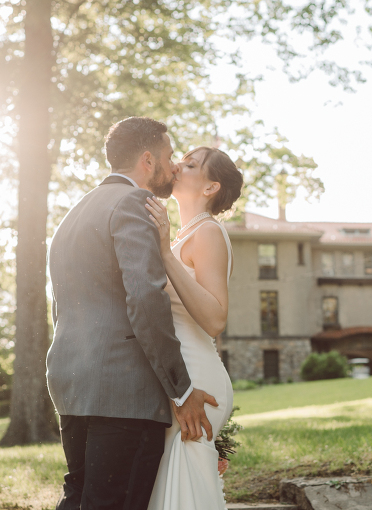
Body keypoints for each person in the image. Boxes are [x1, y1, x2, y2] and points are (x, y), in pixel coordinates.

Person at [46, 117, 219, 510]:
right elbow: (145, 298)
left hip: (72, 384)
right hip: (125, 392)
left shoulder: (72, 215)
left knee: (79, 498)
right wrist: (183, 389)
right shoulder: (133, 203)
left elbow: (64, 306)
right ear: (147, 160)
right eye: (169, 156)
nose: (174, 166)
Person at [144, 144, 242, 510]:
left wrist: (166, 253)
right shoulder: (185, 234)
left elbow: (216, 318)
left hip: (197, 381)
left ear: (210, 187)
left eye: (190, 164)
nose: (176, 167)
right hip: (177, 378)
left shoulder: (208, 234)